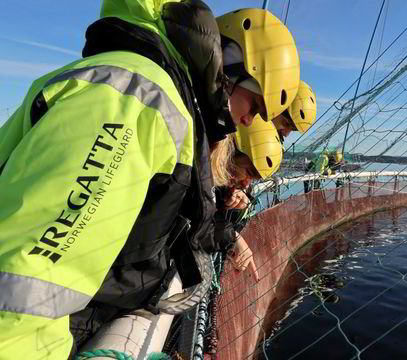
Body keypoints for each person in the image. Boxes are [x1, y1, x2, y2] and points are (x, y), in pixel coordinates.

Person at [0, 2, 299, 358]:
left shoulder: (163, 108)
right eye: (255, 105)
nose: (251, 122)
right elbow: (24, 284)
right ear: (229, 66)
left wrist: (228, 236)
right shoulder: (136, 104)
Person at [212, 116, 284, 276]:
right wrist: (232, 236)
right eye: (249, 173)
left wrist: (226, 202)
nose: (246, 184)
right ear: (230, 150)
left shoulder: (222, 181)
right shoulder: (192, 169)